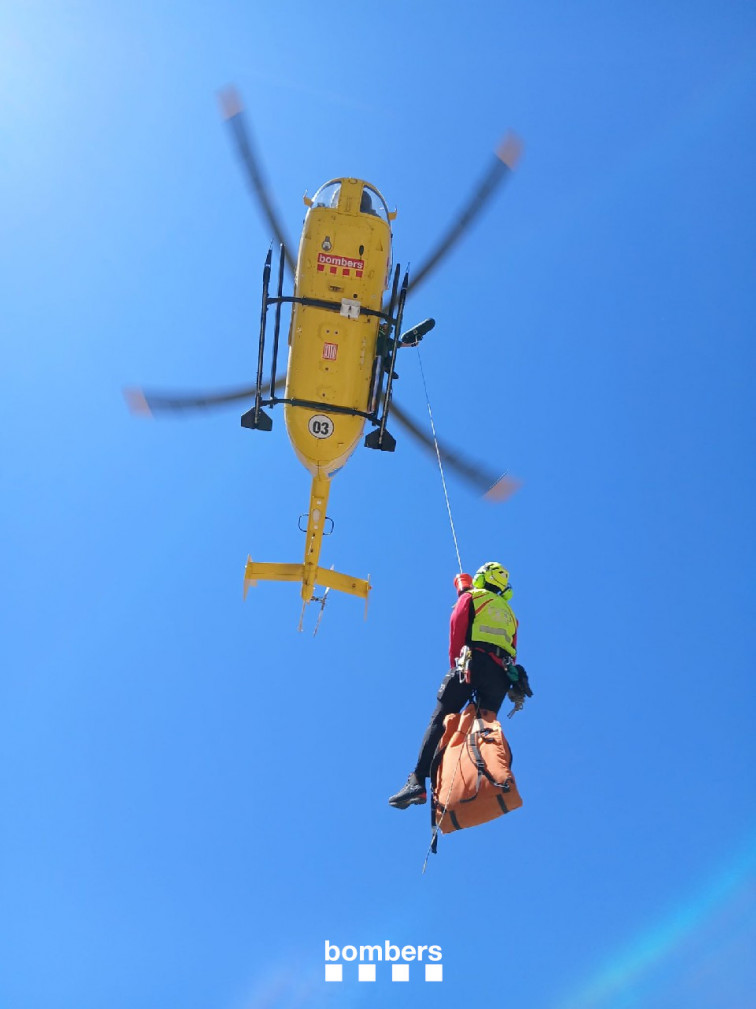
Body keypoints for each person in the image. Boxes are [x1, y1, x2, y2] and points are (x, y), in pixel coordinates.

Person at [388, 561, 532, 809]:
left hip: (472, 664)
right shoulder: (510, 615)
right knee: (484, 728)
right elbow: (513, 650)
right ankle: (488, 780)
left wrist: (457, 666)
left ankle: (418, 781)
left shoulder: (472, 597)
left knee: (441, 717)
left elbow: (457, 627)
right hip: (499, 675)